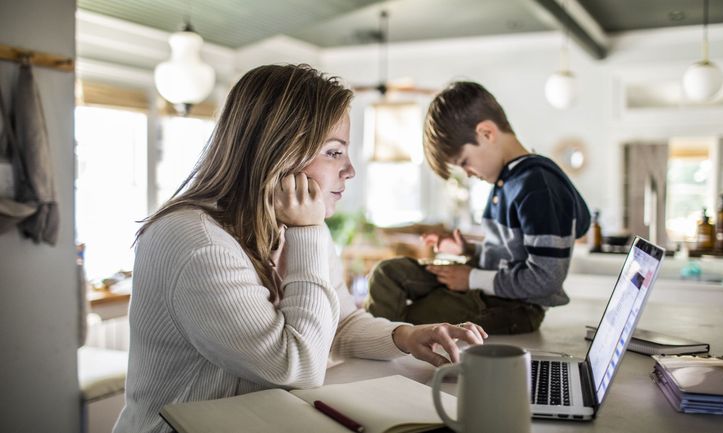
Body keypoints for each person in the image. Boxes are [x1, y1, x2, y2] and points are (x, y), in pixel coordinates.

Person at [113, 65, 487, 433]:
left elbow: (340, 322)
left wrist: (405, 336)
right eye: (334, 152)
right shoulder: (197, 243)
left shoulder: (296, 226)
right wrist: (308, 233)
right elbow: (295, 365)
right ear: (281, 152)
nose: (350, 170)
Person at [365, 81, 590, 335]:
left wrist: (471, 278)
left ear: (486, 133)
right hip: (485, 284)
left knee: (414, 318)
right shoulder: (506, 181)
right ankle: (378, 341)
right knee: (387, 274)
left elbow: (546, 280)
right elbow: (511, 253)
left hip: (515, 306)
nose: (469, 174)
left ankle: (386, 354)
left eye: (465, 162)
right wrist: (467, 249)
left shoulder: (539, 186)